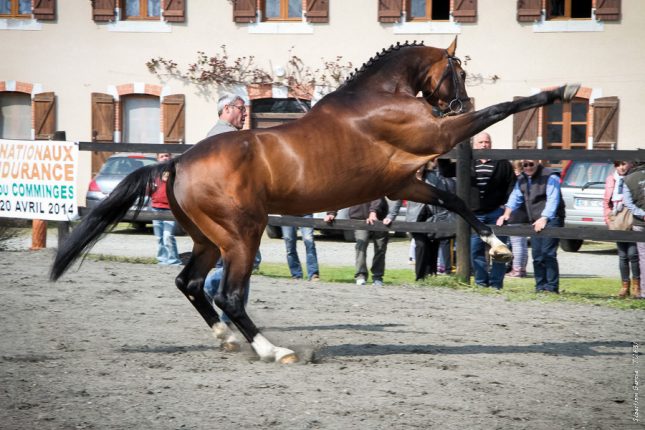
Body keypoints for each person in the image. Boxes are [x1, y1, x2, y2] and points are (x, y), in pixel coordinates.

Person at [203, 93, 260, 322]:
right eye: (241, 108)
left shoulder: (220, 135)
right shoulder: (225, 138)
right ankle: (225, 307)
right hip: (229, 212)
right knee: (244, 261)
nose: (245, 114)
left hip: (226, 212)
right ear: (227, 109)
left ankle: (213, 293)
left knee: (241, 261)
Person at [497, 160, 565, 293]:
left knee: (548, 253)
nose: (527, 167)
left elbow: (553, 200)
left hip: (552, 218)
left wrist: (544, 218)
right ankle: (540, 286)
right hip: (535, 220)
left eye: (530, 164)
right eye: (524, 165)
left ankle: (552, 287)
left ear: (538, 162)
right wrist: (506, 214)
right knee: (537, 255)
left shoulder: (550, 176)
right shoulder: (522, 179)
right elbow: (515, 197)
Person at [392, 160, 456, 280]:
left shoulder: (433, 176)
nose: (418, 168)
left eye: (421, 165)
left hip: (433, 215)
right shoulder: (406, 179)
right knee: (421, 244)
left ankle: (431, 274)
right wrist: (391, 216)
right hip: (415, 217)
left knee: (433, 244)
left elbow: (442, 194)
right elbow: (398, 199)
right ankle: (420, 276)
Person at [469, 132, 515, 289]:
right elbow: (447, 172)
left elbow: (512, 186)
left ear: (491, 144)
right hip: (475, 215)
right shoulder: (468, 162)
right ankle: (481, 282)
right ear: (474, 145)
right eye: (480, 142)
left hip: (496, 213)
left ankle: (496, 285)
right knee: (476, 250)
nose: (484, 145)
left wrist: (505, 207)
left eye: (486, 142)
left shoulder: (502, 163)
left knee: (500, 251)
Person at [325, 198, 398, 286]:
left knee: (380, 247)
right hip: (359, 217)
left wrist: (373, 211)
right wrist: (331, 213)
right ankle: (360, 275)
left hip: (379, 217)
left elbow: (378, 195)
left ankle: (377, 277)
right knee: (361, 245)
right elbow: (342, 194)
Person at [603, 161, 639, 298]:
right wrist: (608, 218)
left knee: (633, 254)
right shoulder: (611, 179)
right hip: (617, 219)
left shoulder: (634, 178)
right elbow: (606, 201)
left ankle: (637, 285)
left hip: (631, 217)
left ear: (630, 164)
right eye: (618, 164)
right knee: (622, 255)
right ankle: (625, 285)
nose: (621, 167)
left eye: (624, 164)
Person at [151, 152, 181, 266]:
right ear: (157, 159)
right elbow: (149, 190)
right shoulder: (154, 173)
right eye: (161, 156)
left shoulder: (175, 173)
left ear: (170, 157)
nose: (164, 158)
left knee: (168, 236)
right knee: (159, 237)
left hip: (170, 209)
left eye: (166, 156)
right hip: (155, 209)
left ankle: (173, 260)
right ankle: (162, 259)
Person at [621, 161, 645, 299]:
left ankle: (643, 291)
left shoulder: (629, 179)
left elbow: (628, 203)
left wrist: (642, 214)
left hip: (639, 222)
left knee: (643, 256)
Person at [507, 160, 529, 278]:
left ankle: (517, 269)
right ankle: (522, 268)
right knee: (523, 243)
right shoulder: (527, 179)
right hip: (526, 214)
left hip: (516, 215)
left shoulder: (516, 180)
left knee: (516, 243)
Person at [282, 215, 320, 281]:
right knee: (289, 243)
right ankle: (296, 275)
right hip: (287, 212)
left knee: (309, 241)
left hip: (306, 211)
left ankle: (313, 274)